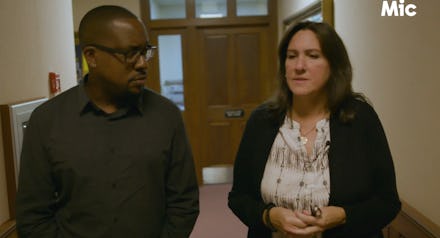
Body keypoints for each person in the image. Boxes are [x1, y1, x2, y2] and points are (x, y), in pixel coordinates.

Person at [16, 5, 199, 238]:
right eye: (130, 53)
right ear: (91, 56)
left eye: (145, 51)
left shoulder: (166, 115)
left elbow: (184, 203)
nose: (143, 63)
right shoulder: (46, 121)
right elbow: (33, 217)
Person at [228, 21, 401, 238]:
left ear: (334, 66)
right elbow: (238, 197)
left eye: (313, 55)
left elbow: (387, 202)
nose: (299, 65)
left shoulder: (360, 119)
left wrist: (342, 215)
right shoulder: (262, 121)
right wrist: (268, 216)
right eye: (291, 56)